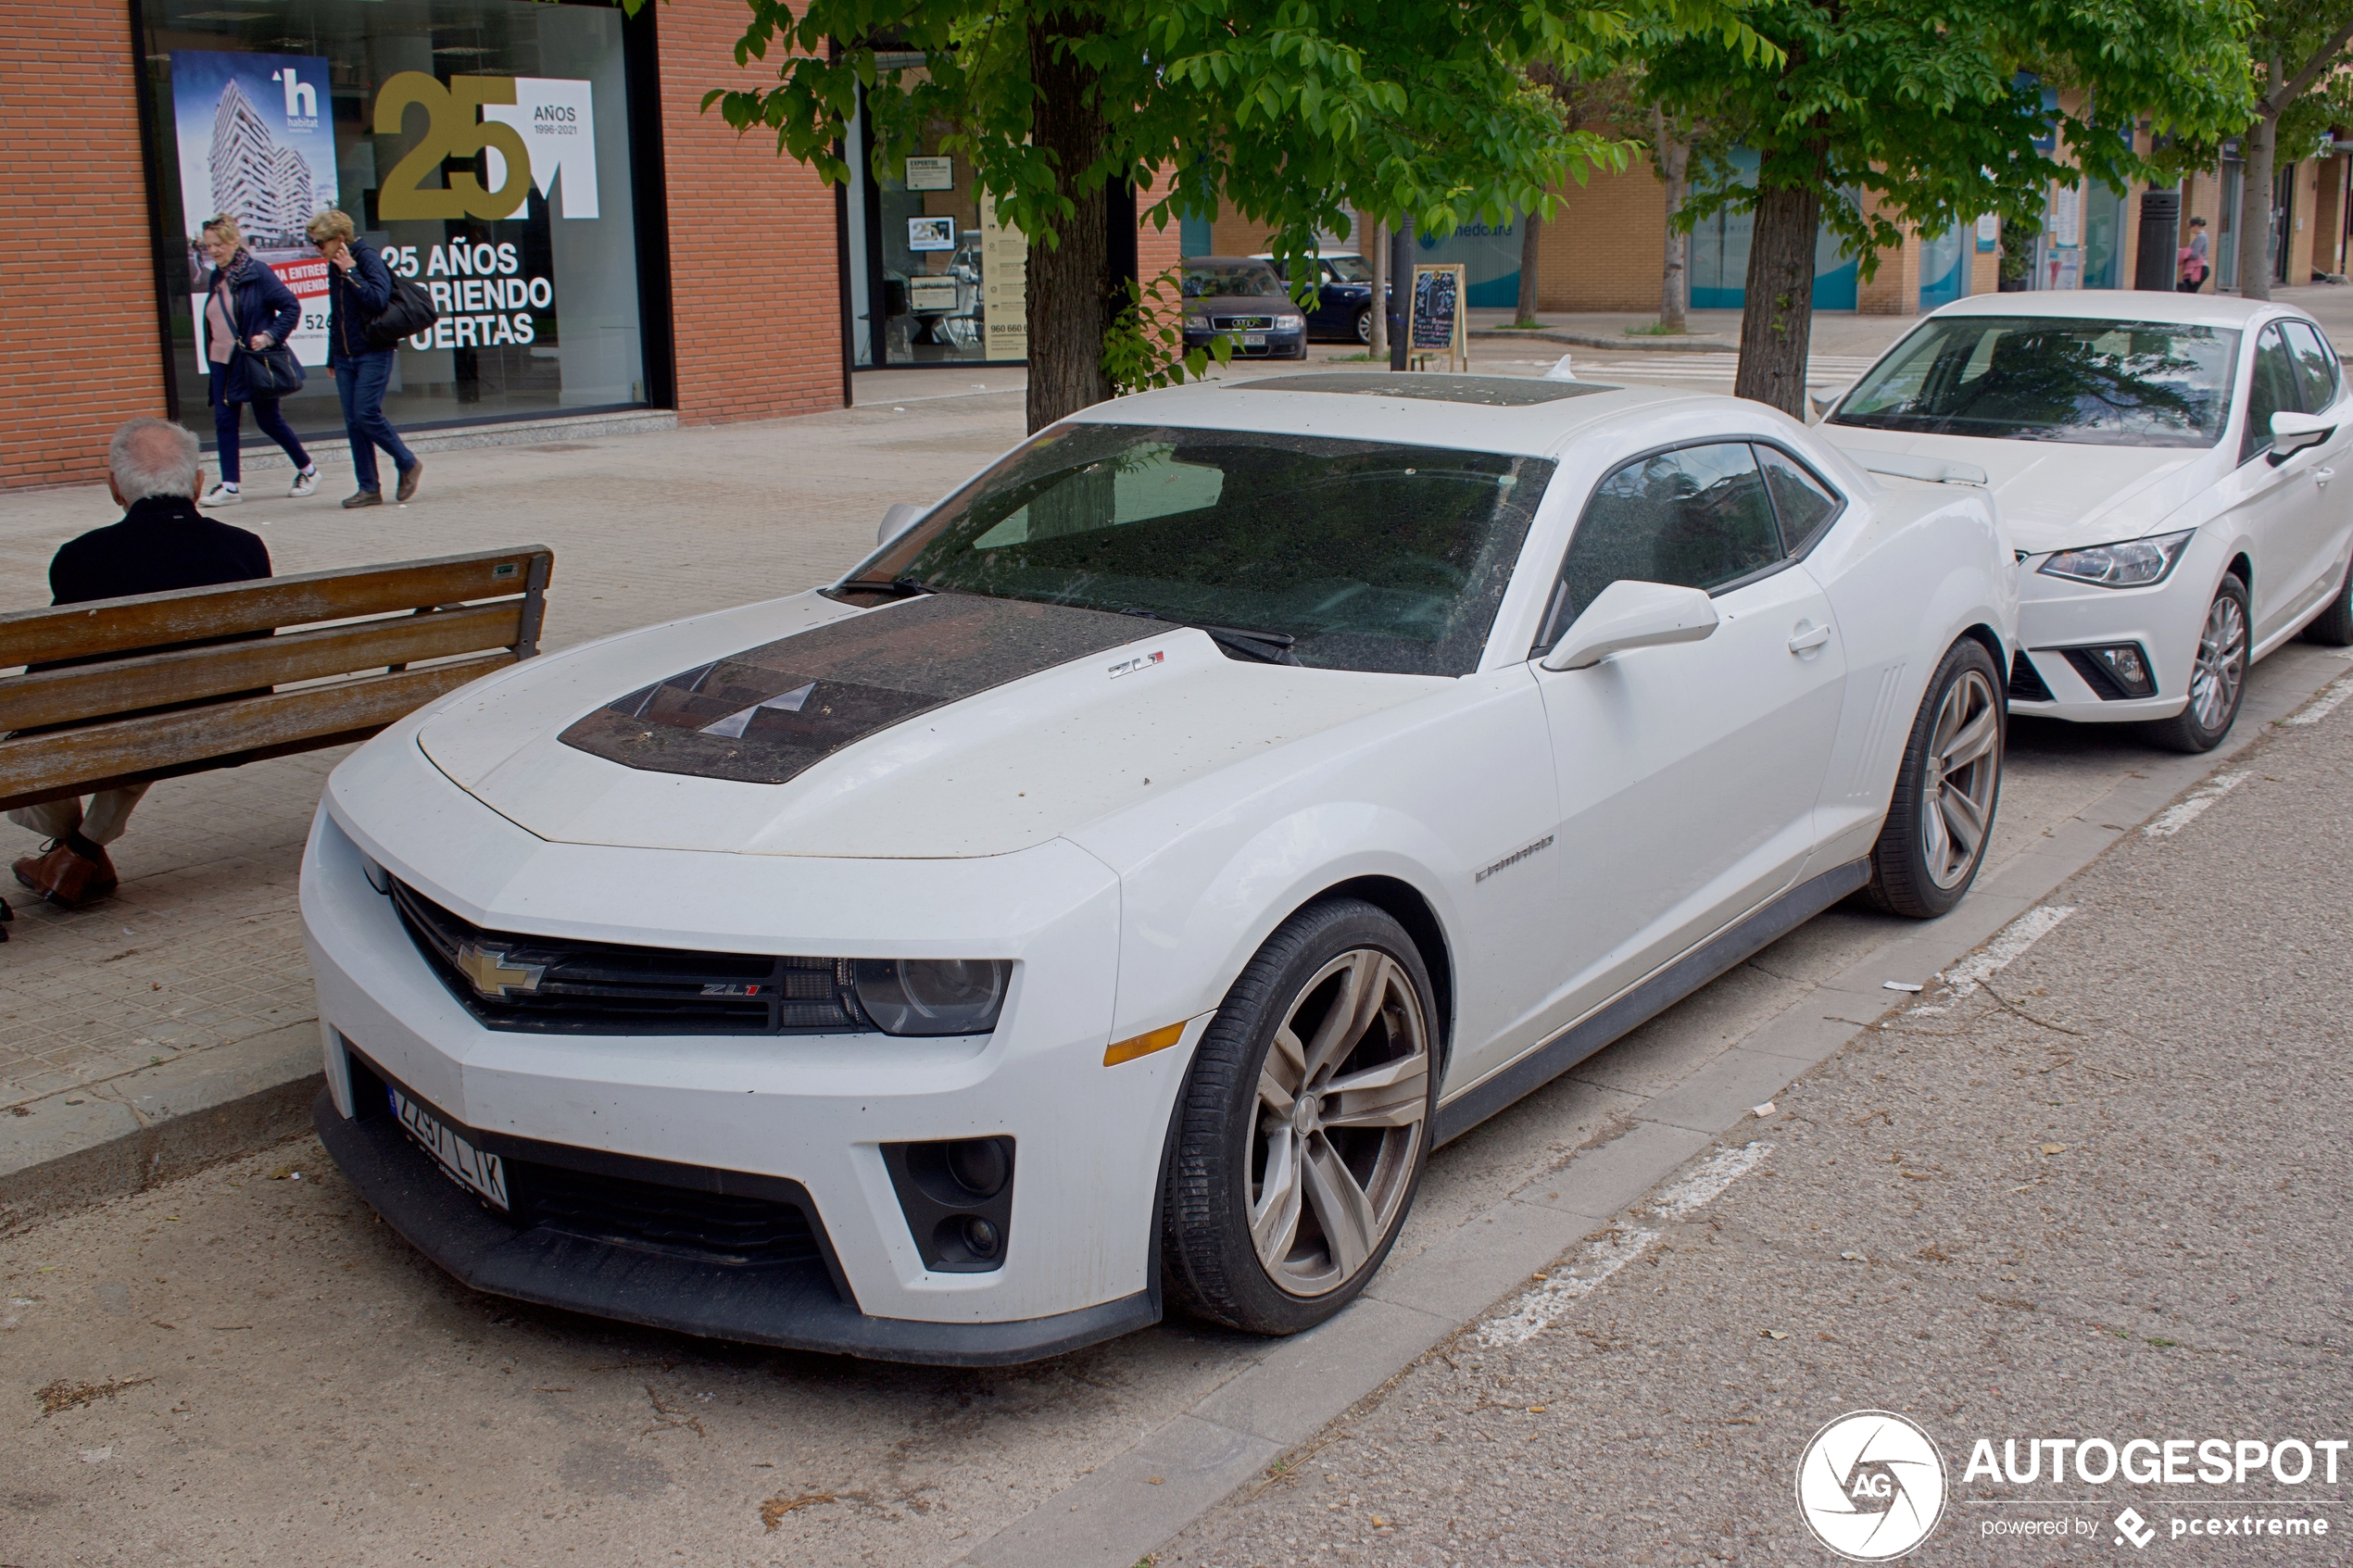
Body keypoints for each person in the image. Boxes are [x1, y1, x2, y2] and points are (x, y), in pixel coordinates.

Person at [7, 419, 271, 912]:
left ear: (115, 489)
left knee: (39, 730)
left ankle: (74, 854)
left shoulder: (84, 557)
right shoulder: (245, 547)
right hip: (233, 722)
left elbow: (47, 681)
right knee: (149, 711)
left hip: (131, 726)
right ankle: (81, 855)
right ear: (197, 483)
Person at [194, 215, 321, 506]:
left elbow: (290, 307)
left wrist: (269, 336)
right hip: (221, 361)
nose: (213, 251)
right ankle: (230, 486)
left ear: (234, 242)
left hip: (250, 361)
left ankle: (309, 470)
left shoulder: (257, 273)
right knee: (225, 420)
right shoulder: (217, 276)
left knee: (268, 420)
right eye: (208, 245)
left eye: (219, 244)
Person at [308, 208, 422, 508]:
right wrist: (333, 356)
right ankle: (368, 488)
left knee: (366, 413)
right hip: (346, 355)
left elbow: (377, 299)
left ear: (340, 238)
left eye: (320, 243)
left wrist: (351, 272)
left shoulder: (366, 257)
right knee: (353, 422)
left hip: (374, 350)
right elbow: (339, 315)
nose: (316, 249)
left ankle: (407, 461)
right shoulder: (334, 264)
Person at [2179, 216, 2210, 294]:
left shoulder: (2201, 237)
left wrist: (2184, 254)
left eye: (2190, 227)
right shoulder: (2203, 236)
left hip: (2199, 268)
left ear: (2196, 226)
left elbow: (2195, 254)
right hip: (2201, 267)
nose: (2189, 229)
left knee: (2190, 290)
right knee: (2191, 290)